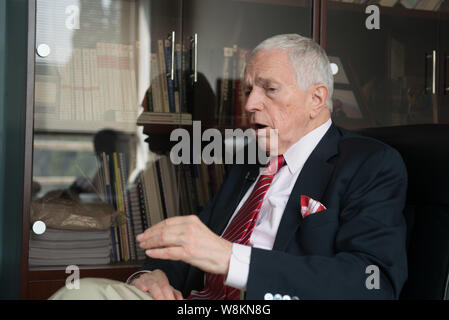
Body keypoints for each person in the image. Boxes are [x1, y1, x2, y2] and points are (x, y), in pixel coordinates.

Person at [50, 34, 408, 300]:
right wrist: (152, 275)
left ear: (316, 99)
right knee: (78, 293)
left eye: (269, 89)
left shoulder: (368, 164)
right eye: (248, 90)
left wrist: (232, 258)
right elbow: (195, 247)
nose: (251, 104)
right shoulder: (249, 163)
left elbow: (372, 281)